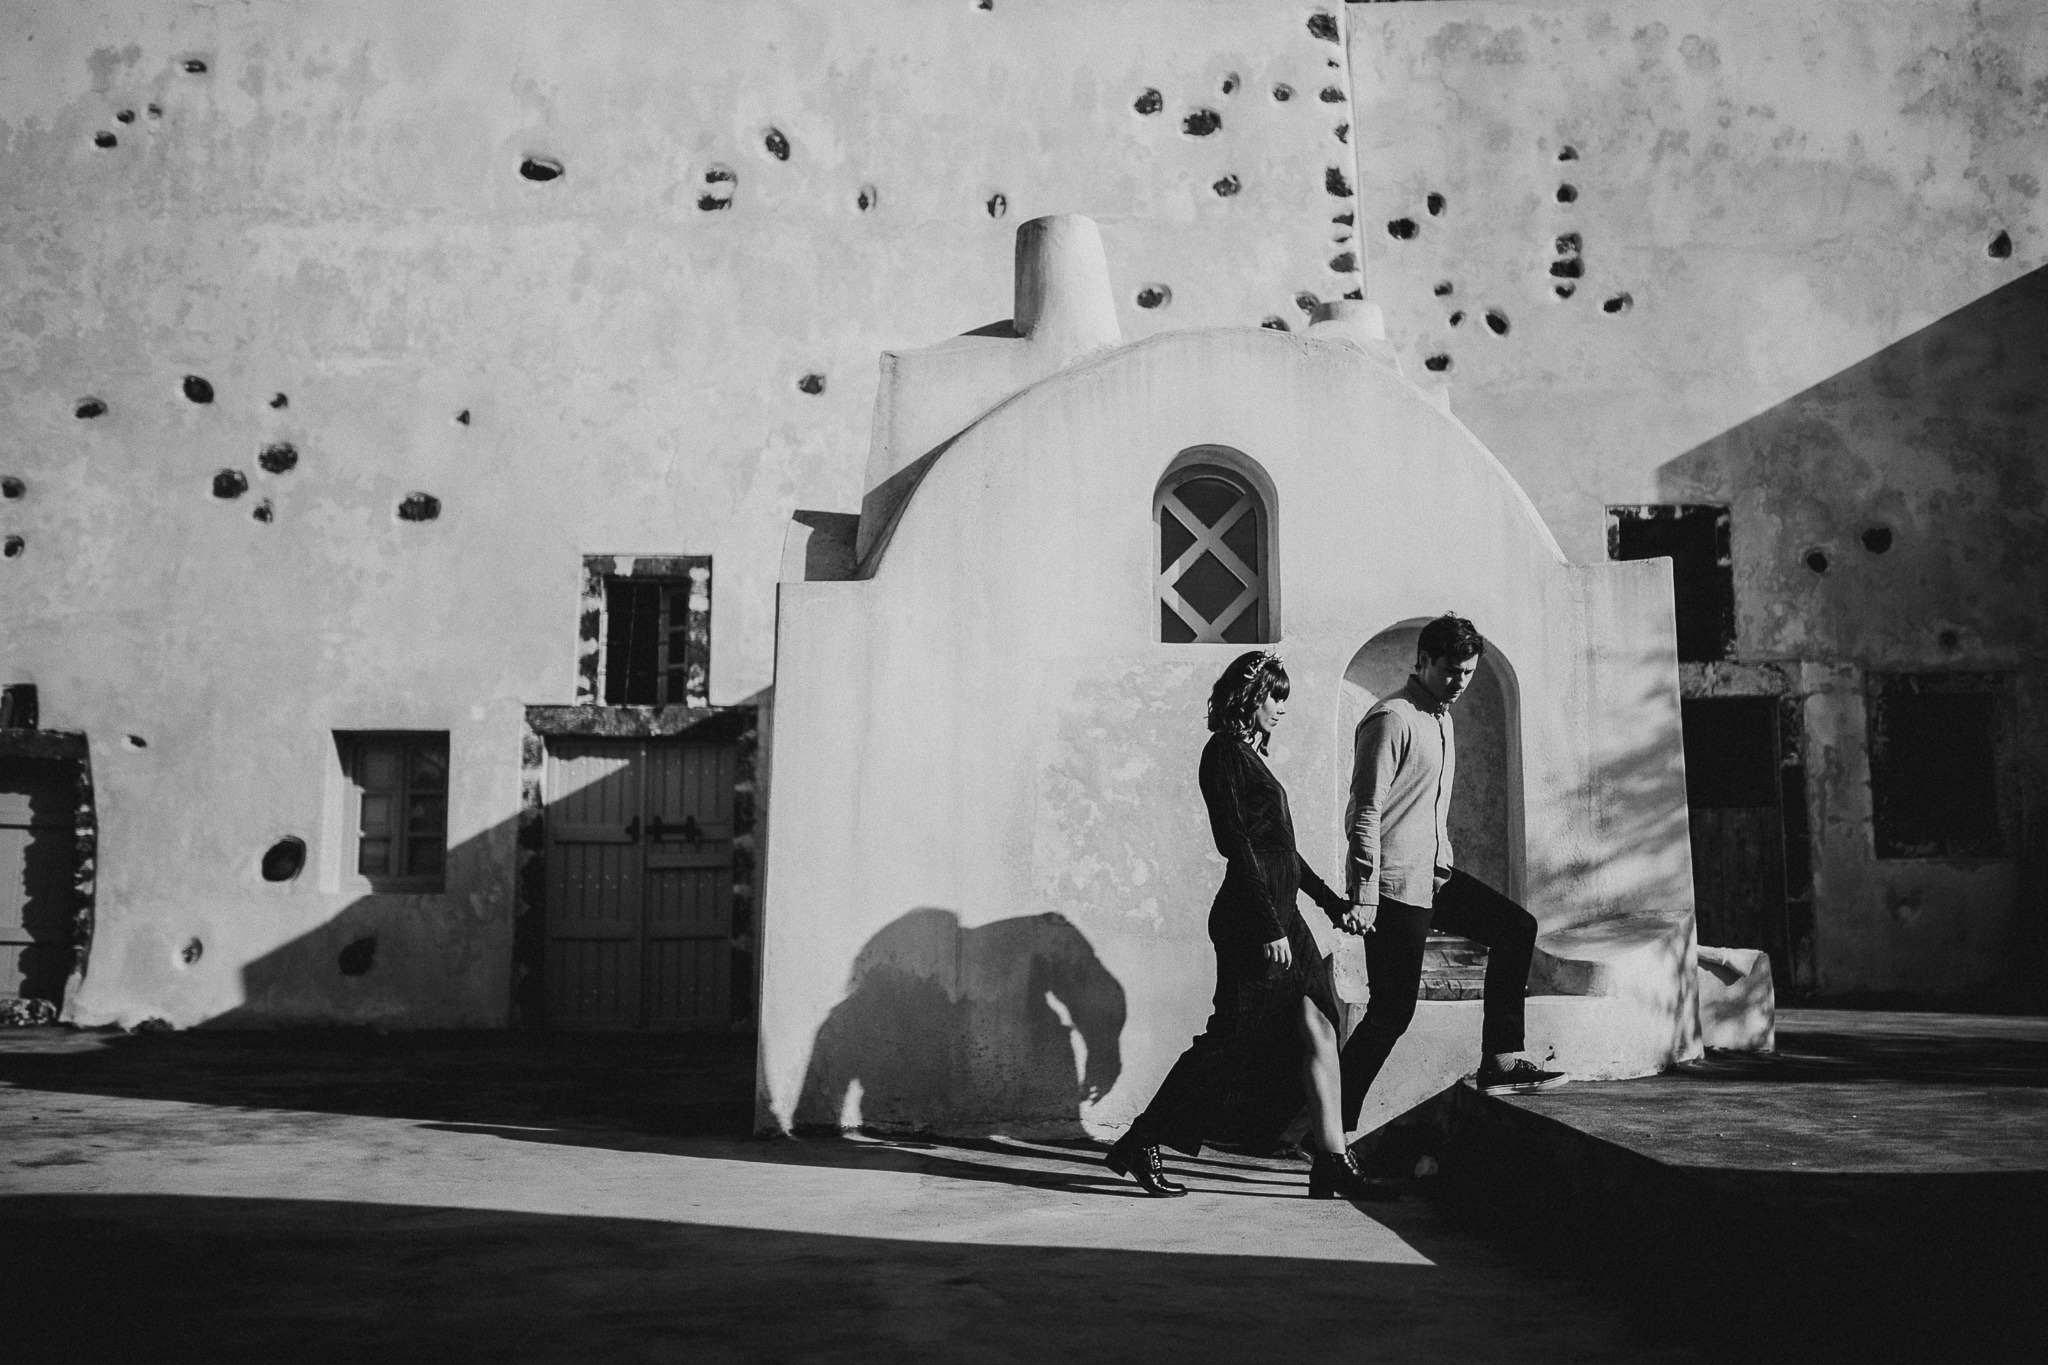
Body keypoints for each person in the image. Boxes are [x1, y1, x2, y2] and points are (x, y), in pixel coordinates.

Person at [1105, 651, 1395, 1201]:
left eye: (1283, 698)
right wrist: (1268, 925)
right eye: (1274, 697)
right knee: (1228, 1042)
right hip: (1252, 919)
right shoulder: (1223, 756)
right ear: (1249, 695)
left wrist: (1332, 905)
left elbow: (1282, 852)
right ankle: (1142, 1141)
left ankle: (1331, 1158)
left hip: (1285, 915)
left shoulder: (1251, 756)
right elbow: (1237, 847)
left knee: (1321, 1024)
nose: (1281, 709)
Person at [1337, 615, 1568, 1127]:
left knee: (1515, 928)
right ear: (1422, 661)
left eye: (1467, 672)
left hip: (1435, 876)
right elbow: (1365, 811)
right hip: (1395, 887)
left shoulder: (1442, 717)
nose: (1460, 682)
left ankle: (1502, 1058)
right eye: (1450, 671)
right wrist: (1365, 892)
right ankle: (1330, 1134)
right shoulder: (1391, 718)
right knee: (1391, 1014)